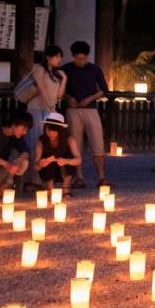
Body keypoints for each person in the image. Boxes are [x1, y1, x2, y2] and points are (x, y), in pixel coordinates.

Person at [16, 44, 67, 188]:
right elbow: (42, 89)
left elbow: (59, 95)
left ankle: (43, 180)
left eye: (59, 56)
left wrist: (64, 79)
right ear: (48, 57)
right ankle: (30, 181)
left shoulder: (56, 74)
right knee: (35, 143)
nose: (58, 59)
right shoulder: (39, 69)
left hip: (50, 110)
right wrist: (51, 108)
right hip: (37, 110)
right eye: (56, 56)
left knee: (46, 145)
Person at [62, 40, 109, 189]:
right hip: (73, 110)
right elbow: (60, 91)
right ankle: (79, 177)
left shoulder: (94, 69)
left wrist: (90, 98)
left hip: (91, 109)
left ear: (87, 57)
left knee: (97, 143)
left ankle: (101, 177)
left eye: (83, 58)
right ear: (73, 56)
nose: (80, 61)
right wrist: (69, 98)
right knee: (76, 144)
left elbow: (104, 89)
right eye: (78, 58)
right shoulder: (66, 69)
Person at [0, 113, 32, 202]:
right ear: (14, 124)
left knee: (24, 162)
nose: (25, 132)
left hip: (1, 174)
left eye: (27, 130)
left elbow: (26, 152)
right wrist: (6, 164)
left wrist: (18, 161)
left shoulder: (17, 138)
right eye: (24, 128)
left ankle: (4, 186)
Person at [34, 112, 81, 194]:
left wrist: (67, 161)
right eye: (48, 130)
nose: (51, 133)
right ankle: (50, 189)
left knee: (70, 157)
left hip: (64, 169)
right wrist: (40, 164)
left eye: (54, 131)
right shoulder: (41, 141)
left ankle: (65, 187)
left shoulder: (69, 139)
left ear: (61, 130)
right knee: (47, 157)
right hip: (49, 171)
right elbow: (35, 167)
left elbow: (79, 160)